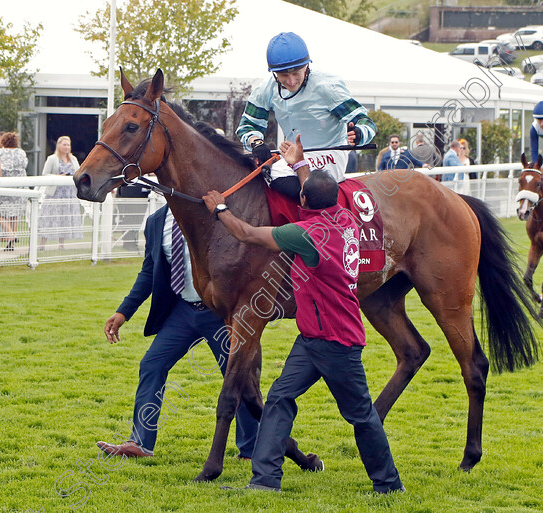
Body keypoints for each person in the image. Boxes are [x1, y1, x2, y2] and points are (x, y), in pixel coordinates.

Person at [203, 134, 403, 494]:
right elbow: (316, 190)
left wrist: (220, 208)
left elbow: (247, 233)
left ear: (305, 201)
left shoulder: (307, 234)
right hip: (313, 336)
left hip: (336, 342)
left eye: (303, 192)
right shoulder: (344, 217)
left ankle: (389, 485)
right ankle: (264, 481)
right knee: (279, 399)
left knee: (360, 415)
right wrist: (298, 164)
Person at [96, 205, 258, 460]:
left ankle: (251, 449)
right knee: (151, 364)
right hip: (183, 311)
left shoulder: (212, 214)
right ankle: (141, 443)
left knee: (238, 375)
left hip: (220, 313)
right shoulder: (155, 221)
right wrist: (123, 312)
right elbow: (149, 271)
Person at [236, 32, 375, 199]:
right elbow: (247, 126)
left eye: (296, 73)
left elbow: (365, 122)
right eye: (284, 76)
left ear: (307, 67)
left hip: (330, 153)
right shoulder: (265, 89)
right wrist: (256, 143)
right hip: (291, 154)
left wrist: (359, 133)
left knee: (277, 173)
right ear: (274, 73)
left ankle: (318, 221)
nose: (291, 81)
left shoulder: (327, 86)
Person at [39, 136, 83, 250]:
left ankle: (61, 244)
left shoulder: (73, 159)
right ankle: (42, 243)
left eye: (68, 145)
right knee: (50, 217)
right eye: (64, 145)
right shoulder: (52, 159)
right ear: (59, 145)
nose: (66, 147)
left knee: (64, 218)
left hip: (69, 193)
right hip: (55, 193)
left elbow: (78, 173)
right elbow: (45, 174)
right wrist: (57, 177)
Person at [0, 132, 28, 251]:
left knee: (0, 213)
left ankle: (10, 234)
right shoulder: (21, 153)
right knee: (14, 215)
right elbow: (25, 164)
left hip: (4, 186)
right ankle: (11, 241)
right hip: (19, 186)